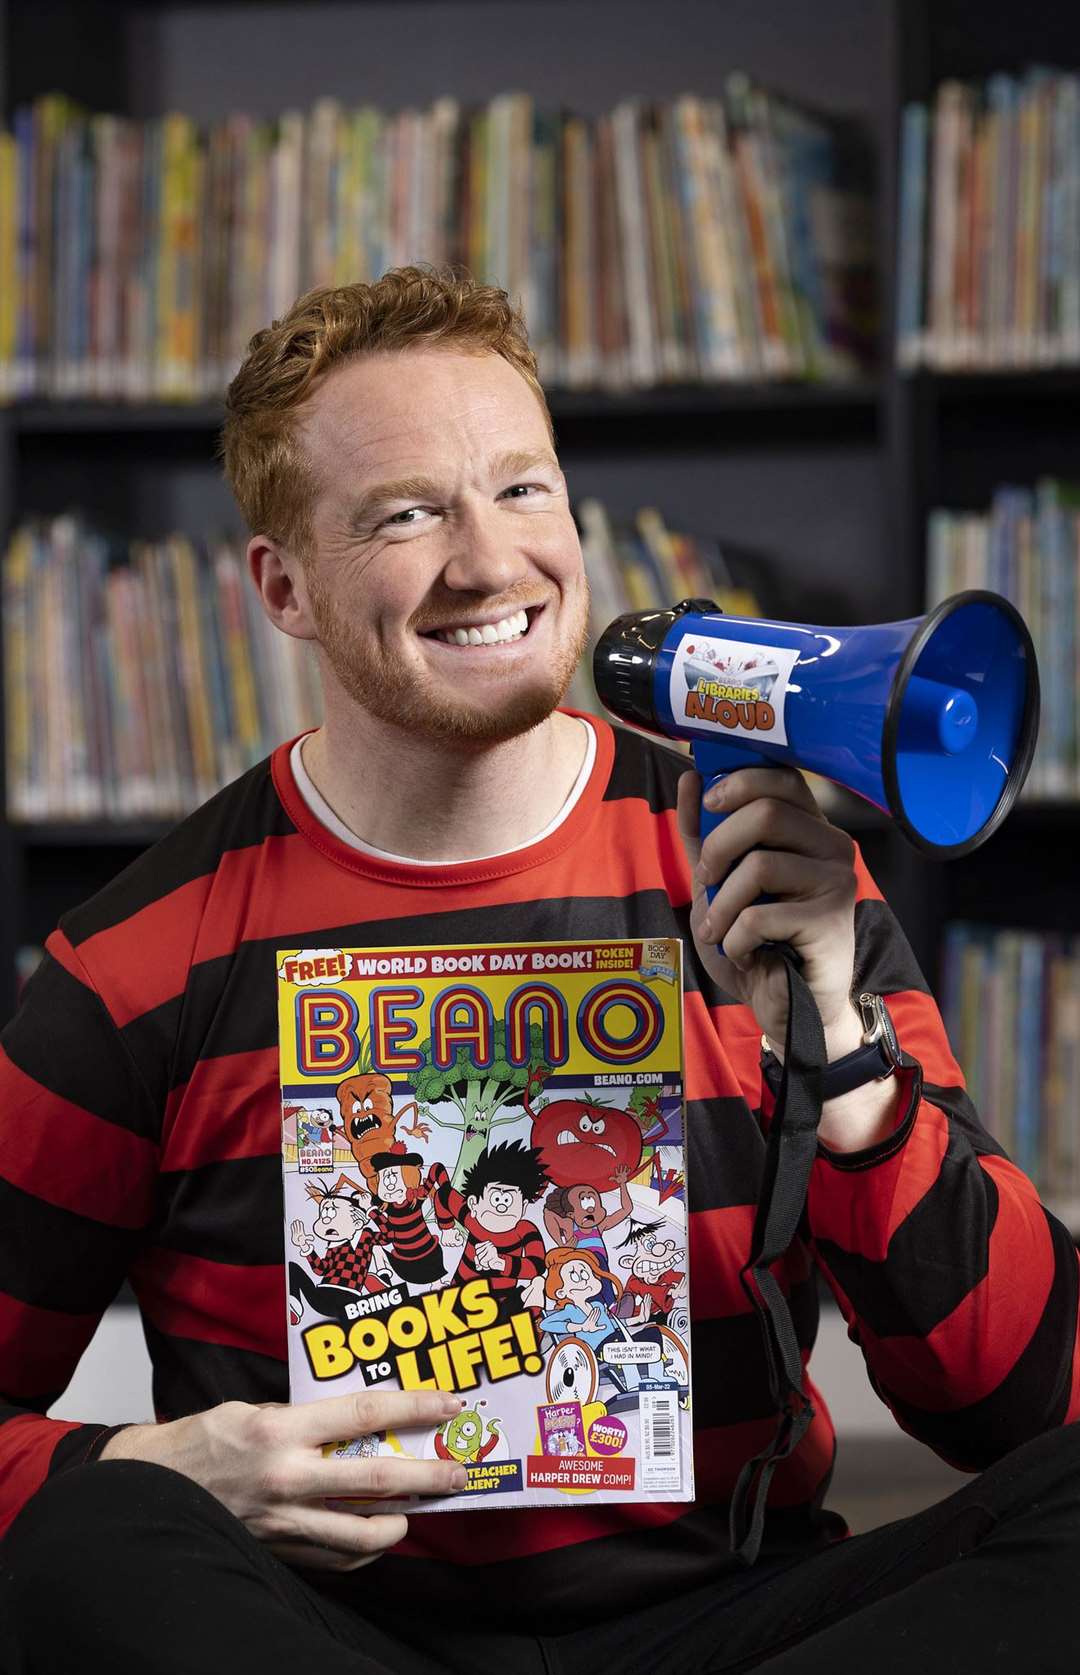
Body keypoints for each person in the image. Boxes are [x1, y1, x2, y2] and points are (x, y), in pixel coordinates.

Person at [1, 264, 1079, 1675]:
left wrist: (849, 1054)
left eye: (522, 491)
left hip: (730, 1623)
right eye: (405, 514)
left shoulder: (769, 875)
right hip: (333, 1639)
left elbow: (1028, 1405)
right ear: (283, 588)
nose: (489, 562)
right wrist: (165, 1461)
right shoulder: (137, 965)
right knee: (93, 1538)